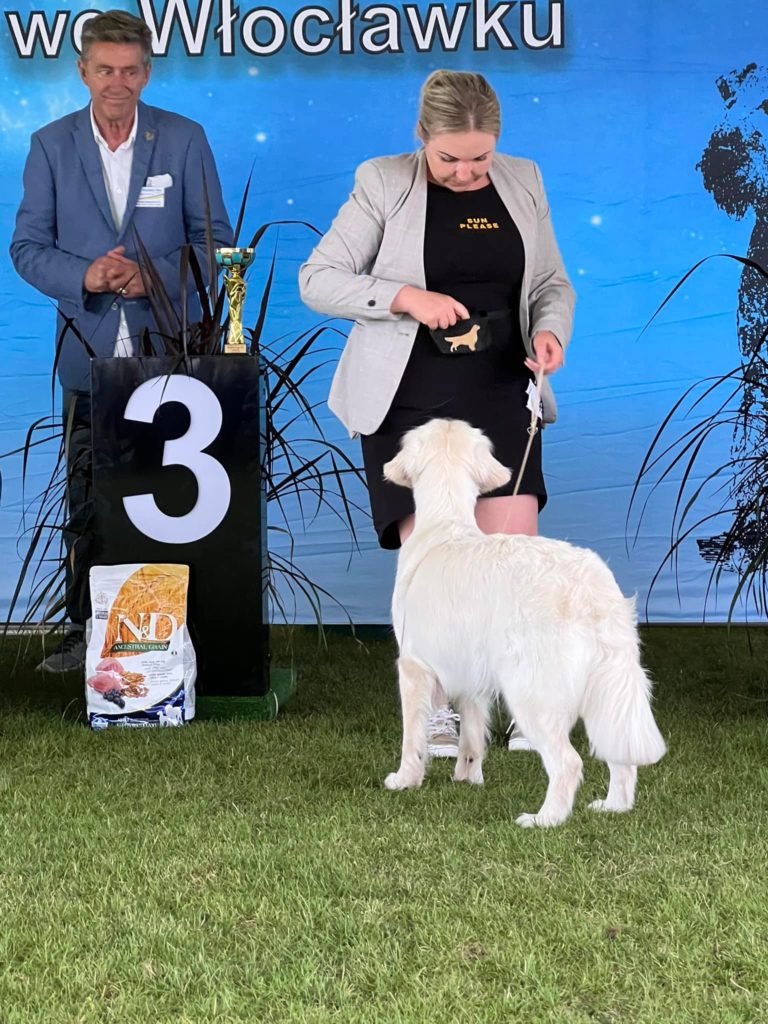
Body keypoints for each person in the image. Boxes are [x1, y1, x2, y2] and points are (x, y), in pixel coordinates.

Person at [299, 70, 575, 756]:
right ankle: (440, 712)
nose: (467, 172)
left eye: (480, 157)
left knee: (514, 559)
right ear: (420, 134)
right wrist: (405, 298)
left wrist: (551, 330)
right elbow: (318, 279)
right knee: (439, 566)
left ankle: (528, 705)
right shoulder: (383, 181)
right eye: (450, 157)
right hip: (408, 393)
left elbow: (551, 282)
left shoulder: (523, 179)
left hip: (501, 384)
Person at [10, 9, 233, 673]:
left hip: (174, 349)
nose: (117, 83)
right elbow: (26, 248)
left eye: (130, 71)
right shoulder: (50, 145)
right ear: (83, 71)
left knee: (172, 494)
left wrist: (154, 275)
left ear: (147, 72)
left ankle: (180, 633)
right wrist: (85, 275)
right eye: (105, 70)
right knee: (88, 496)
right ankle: (86, 631)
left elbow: (215, 242)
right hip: (86, 354)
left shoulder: (184, 138)